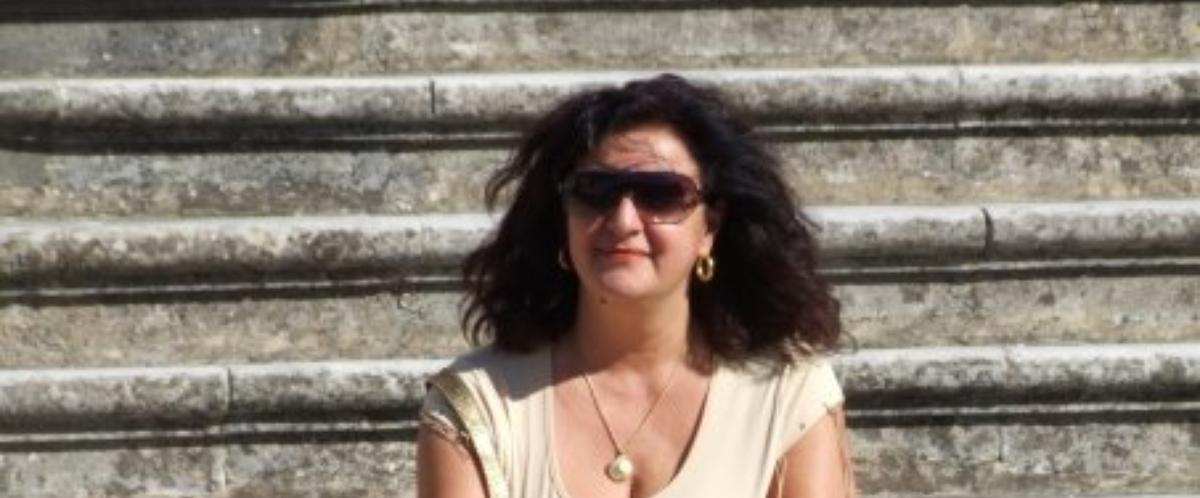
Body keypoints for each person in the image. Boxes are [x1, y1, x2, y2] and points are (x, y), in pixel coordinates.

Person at [416, 74, 853, 498]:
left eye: (661, 193)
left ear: (710, 227)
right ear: (562, 217)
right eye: (595, 191)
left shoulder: (789, 394)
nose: (623, 221)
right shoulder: (479, 405)